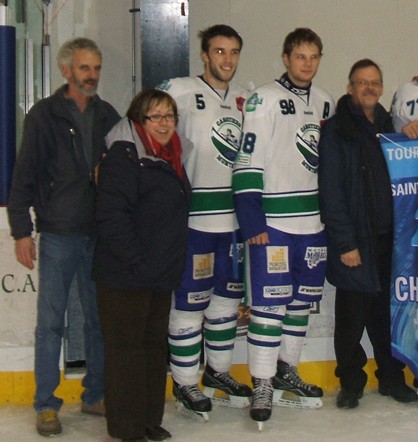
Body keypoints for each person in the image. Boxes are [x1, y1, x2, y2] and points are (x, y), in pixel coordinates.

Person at [7, 37, 120, 437]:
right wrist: (22, 231)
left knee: (98, 320)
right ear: (66, 70)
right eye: (84, 68)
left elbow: (123, 171)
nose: (92, 75)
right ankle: (45, 405)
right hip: (57, 233)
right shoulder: (44, 115)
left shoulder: (108, 115)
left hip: (98, 235)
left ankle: (95, 395)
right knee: (51, 322)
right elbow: (23, 177)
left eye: (96, 68)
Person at [232, 27, 334, 428]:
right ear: (286, 58)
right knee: (269, 306)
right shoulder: (264, 99)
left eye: (313, 57)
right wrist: (251, 219)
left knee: (300, 304)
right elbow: (247, 159)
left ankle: (285, 370)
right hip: (273, 223)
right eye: (300, 56)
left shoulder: (324, 101)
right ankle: (261, 381)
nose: (307, 64)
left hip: (313, 223)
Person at [157, 24, 251, 415]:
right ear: (204, 54)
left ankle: (217, 373)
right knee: (188, 305)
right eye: (219, 51)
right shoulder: (178, 90)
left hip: (233, 224)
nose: (227, 59)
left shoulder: (247, 98)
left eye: (233, 52)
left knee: (226, 305)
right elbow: (145, 128)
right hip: (193, 221)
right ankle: (183, 382)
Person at [318, 59, 418, 409]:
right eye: (362, 82)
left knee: (386, 318)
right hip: (355, 241)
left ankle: (391, 378)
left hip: (388, 239)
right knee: (351, 320)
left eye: (375, 82)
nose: (369, 88)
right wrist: (345, 242)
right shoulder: (337, 130)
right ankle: (351, 382)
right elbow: (331, 191)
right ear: (350, 87)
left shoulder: (390, 127)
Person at [93, 89, 191, 441]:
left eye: (169, 116)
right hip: (125, 276)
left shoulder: (173, 156)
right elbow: (112, 216)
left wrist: (165, 266)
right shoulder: (125, 156)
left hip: (158, 274)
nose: (164, 123)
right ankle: (127, 427)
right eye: (155, 116)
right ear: (139, 120)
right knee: (126, 353)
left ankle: (149, 419)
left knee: (152, 349)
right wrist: (135, 261)